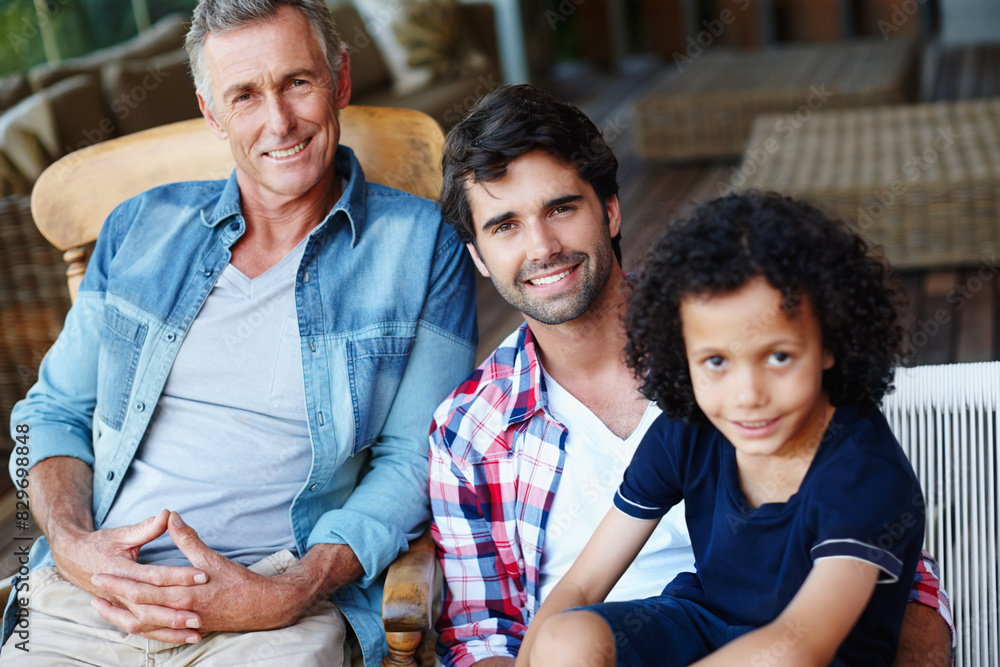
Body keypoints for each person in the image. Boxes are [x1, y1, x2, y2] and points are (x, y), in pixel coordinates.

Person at [3, 0, 476, 664]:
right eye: (245, 95)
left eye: (297, 83)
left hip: (275, 607)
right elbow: (48, 412)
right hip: (97, 597)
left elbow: (416, 460)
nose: (278, 121)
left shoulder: (421, 245)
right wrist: (76, 544)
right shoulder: (138, 230)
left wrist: (291, 589)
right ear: (211, 111)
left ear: (339, 79)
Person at [429, 83, 953, 667]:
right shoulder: (470, 429)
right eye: (505, 226)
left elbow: (854, 605)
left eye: (561, 208)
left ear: (610, 209)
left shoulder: (731, 327)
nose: (543, 246)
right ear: (477, 255)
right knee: (564, 639)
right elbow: (490, 632)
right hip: (661, 633)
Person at [519, 191, 924, 666]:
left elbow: (797, 647)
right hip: (705, 627)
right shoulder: (687, 430)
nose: (747, 394)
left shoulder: (864, 472)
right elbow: (583, 584)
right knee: (566, 640)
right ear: (682, 356)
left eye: (779, 357)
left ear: (830, 344)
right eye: (716, 361)